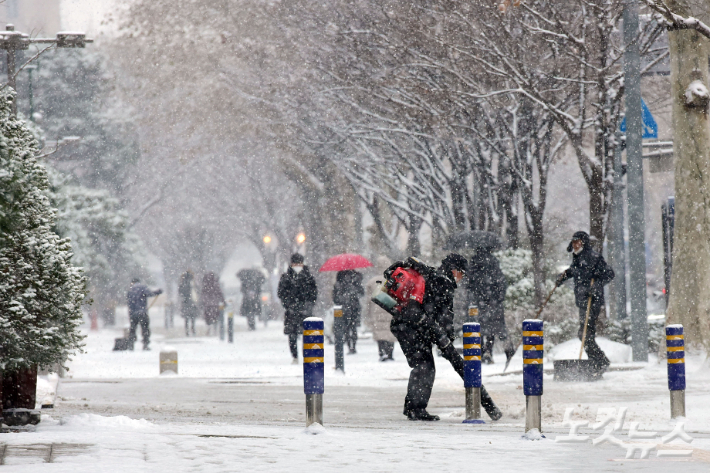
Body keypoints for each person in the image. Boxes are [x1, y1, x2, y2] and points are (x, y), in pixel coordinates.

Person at [387, 254, 502, 421]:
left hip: (408, 325)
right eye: (462, 273)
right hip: (412, 326)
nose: (461, 278)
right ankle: (415, 409)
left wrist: (442, 337)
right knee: (424, 366)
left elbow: (434, 311)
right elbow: (444, 316)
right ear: (454, 270)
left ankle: (413, 407)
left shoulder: (432, 276)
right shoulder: (443, 282)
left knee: (423, 365)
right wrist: (446, 338)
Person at [556, 231, 615, 374]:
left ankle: (599, 362)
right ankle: (598, 361)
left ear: (584, 243)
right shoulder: (578, 257)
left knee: (585, 334)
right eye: (574, 242)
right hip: (583, 301)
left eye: (578, 242)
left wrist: (596, 286)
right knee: (584, 334)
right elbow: (574, 271)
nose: (575, 245)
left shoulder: (593, 257)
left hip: (592, 301)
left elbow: (609, 274)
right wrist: (563, 276)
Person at [466, 248, 514, 365]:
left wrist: (474, 299)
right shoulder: (494, 266)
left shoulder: (473, 266)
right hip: (494, 304)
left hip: (478, 304)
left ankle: (482, 352)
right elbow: (502, 284)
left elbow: (469, 285)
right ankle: (500, 351)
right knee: (494, 329)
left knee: (477, 328)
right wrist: (498, 299)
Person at [278, 254, 318, 364]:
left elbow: (314, 294)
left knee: (307, 334)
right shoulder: (286, 277)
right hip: (291, 311)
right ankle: (295, 356)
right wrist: (288, 305)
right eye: (295, 263)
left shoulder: (308, 277)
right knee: (292, 335)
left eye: (299, 263)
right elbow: (281, 294)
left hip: (305, 310)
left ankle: (306, 355)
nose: (297, 265)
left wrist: (308, 305)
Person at [366, 263, 397, 361]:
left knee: (379, 332)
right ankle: (390, 353)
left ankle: (382, 352)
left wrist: (368, 312)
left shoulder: (372, 282)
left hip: (377, 308)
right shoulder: (393, 280)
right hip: (390, 307)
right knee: (390, 331)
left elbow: (368, 299)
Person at [333, 269, 364, 354]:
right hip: (354, 307)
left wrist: (342, 299)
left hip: (344, 308)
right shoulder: (356, 279)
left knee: (346, 328)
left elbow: (335, 298)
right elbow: (361, 293)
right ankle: (353, 346)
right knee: (353, 328)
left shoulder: (339, 280)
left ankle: (349, 345)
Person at [126, 278, 162, 350]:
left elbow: (129, 302)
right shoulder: (143, 288)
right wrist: (158, 292)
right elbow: (150, 294)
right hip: (142, 312)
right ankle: (145, 344)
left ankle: (131, 344)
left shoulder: (130, 290)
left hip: (133, 313)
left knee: (133, 329)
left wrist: (131, 313)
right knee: (145, 328)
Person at [202, 272, 225, 336]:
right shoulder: (216, 284)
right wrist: (223, 301)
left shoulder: (205, 285)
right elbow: (220, 294)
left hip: (208, 305)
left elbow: (203, 295)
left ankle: (209, 328)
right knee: (215, 318)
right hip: (215, 304)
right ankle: (215, 330)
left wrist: (203, 303)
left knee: (208, 318)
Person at [179, 271, 198, 336]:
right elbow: (196, 291)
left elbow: (180, 292)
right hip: (192, 302)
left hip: (185, 303)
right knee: (193, 318)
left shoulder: (182, 283)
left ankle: (187, 331)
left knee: (186, 319)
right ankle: (193, 329)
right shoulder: (192, 283)